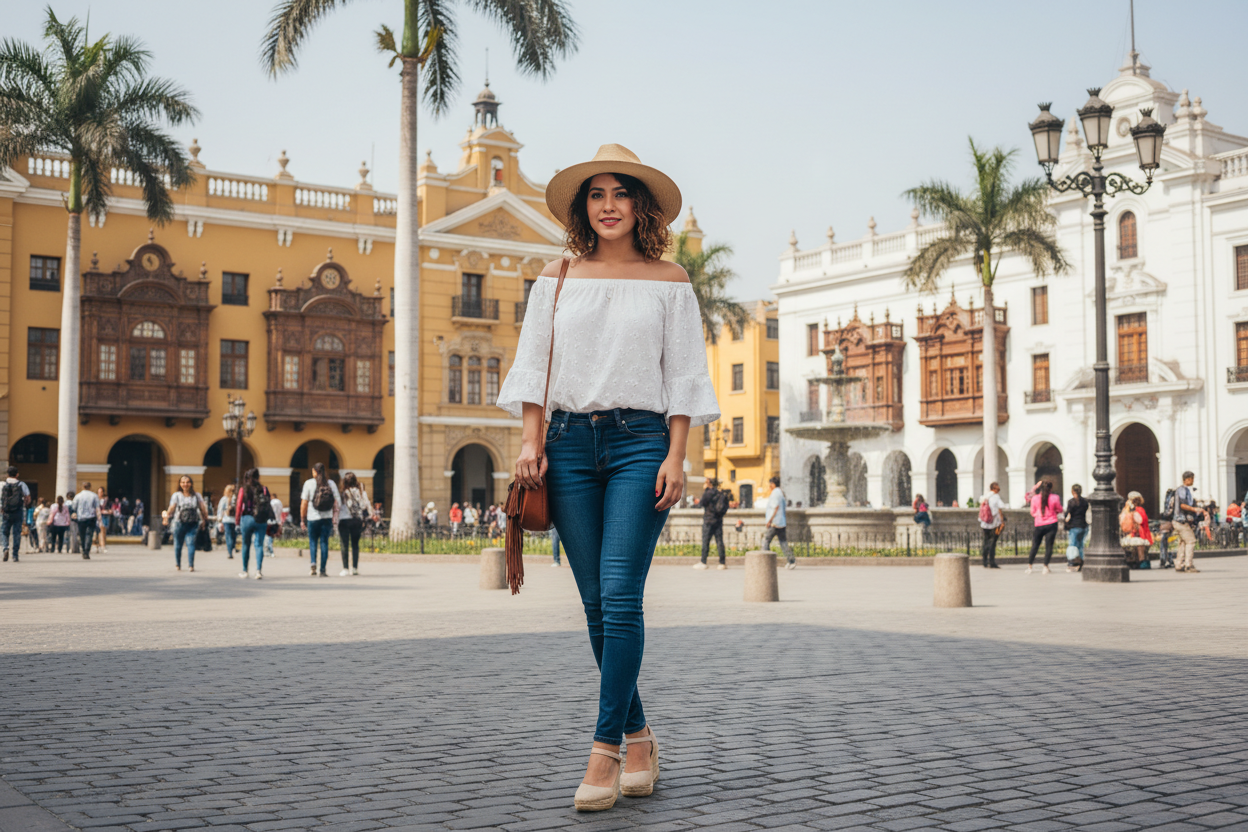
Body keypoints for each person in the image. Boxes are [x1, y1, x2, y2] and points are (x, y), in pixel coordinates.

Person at [497, 146, 718, 811]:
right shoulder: (557, 275)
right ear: (582, 208)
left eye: (621, 193)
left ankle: (604, 750)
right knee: (595, 602)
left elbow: (684, 373)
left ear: (640, 206)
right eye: (596, 194)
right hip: (566, 445)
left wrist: (677, 455)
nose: (609, 205)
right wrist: (531, 442)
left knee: (621, 597)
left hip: (640, 445)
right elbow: (534, 363)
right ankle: (640, 736)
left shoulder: (670, 280)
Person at [300, 462, 340, 577]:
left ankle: (313, 563)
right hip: (327, 518)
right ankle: (322, 569)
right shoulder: (331, 483)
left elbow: (304, 503)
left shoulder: (308, 483)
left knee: (312, 541)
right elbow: (337, 501)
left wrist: (302, 519)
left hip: (312, 518)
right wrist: (335, 515)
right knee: (324, 542)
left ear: (314, 472)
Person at [234, 469, 273, 579]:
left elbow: (238, 506)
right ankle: (258, 571)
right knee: (259, 545)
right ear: (258, 477)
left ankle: (245, 571)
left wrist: (237, 522)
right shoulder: (264, 489)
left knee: (246, 544)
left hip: (247, 518)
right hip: (261, 519)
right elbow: (268, 504)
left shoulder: (243, 489)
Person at [168, 475, 208, 572]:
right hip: (180, 522)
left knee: (189, 544)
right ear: (180, 484)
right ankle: (180, 564)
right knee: (180, 544)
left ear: (191, 484)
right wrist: (167, 516)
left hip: (191, 523)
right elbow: (172, 508)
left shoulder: (196, 495)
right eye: (183, 482)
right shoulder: (177, 495)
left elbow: (203, 508)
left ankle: (189, 565)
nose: (185, 484)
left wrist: (204, 519)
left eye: (187, 482)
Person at [338, 471, 373, 576]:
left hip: (344, 520)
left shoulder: (343, 492)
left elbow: (338, 506)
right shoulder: (361, 492)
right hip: (357, 520)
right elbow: (366, 504)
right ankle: (354, 568)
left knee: (344, 544)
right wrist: (371, 515)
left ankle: (345, 568)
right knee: (355, 545)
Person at [1025, 480, 1062, 575]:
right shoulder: (1055, 497)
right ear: (1051, 488)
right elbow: (1059, 509)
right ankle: (1045, 566)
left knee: (1035, 545)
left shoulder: (1035, 498)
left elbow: (1032, 512)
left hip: (1039, 524)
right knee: (1049, 546)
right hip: (1051, 523)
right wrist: (1053, 512)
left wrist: (1038, 516)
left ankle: (1030, 566)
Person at [1173, 471, 1205, 574]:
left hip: (1178, 520)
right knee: (1191, 541)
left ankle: (1179, 564)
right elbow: (1182, 505)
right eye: (1192, 479)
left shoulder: (1182, 490)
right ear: (1187, 479)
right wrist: (1194, 509)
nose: (1193, 481)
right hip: (1181, 520)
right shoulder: (1182, 490)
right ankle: (1188, 565)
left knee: (1183, 542)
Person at [763, 475, 796, 569]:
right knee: (783, 542)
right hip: (781, 522)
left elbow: (775, 507)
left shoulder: (775, 493)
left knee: (766, 540)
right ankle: (791, 561)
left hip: (775, 523)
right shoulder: (781, 492)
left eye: (770, 484)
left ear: (773, 484)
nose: (769, 486)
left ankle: (766, 561)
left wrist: (769, 520)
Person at [696, 478, 728, 570]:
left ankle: (703, 562)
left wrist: (705, 490)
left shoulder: (708, 493)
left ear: (709, 483)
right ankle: (722, 563)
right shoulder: (720, 493)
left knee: (706, 541)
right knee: (719, 541)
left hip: (708, 520)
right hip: (718, 520)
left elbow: (701, 503)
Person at [1, 466, 30, 562]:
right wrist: (24, 505)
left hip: (6, 512)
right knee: (16, 533)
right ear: (17, 474)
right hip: (18, 511)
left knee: (4, 532)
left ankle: (5, 548)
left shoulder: (2, 484)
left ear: (7, 474)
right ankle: (15, 555)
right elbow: (28, 498)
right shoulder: (22, 484)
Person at [1120, 490, 1153, 569]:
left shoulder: (1137, 510)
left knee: (1138, 543)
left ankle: (1139, 561)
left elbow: (1140, 521)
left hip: (1139, 535)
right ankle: (1138, 560)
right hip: (1135, 534)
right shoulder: (1130, 510)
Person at [977, 481, 1005, 569]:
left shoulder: (985, 496)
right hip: (994, 523)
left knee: (985, 541)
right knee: (992, 542)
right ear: (995, 489)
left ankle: (984, 561)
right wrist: (1002, 519)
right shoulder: (996, 497)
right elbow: (1001, 506)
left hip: (984, 523)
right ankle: (992, 562)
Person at [72, 481, 102, 560]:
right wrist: (99, 519)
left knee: (82, 535)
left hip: (81, 518)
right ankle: (87, 551)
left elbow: (74, 507)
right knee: (89, 535)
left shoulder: (78, 496)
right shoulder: (94, 496)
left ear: (83, 487)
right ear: (90, 487)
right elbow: (97, 508)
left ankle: (83, 549)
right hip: (91, 518)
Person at [1064, 484, 1089, 572]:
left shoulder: (1071, 502)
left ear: (1072, 491)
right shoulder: (1085, 501)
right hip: (1083, 525)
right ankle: (1081, 562)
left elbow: (1067, 513)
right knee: (1080, 546)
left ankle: (1072, 563)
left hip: (1074, 526)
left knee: (1072, 545)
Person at [217, 484, 237, 561]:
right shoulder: (236, 499)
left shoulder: (224, 499)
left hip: (226, 520)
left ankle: (230, 552)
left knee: (228, 536)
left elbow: (220, 509)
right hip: (235, 520)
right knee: (234, 536)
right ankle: (232, 547)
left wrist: (219, 519)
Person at [265, 491, 285, 557]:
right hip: (277, 521)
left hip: (270, 521)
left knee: (268, 536)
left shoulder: (271, 502)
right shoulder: (280, 502)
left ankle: (270, 551)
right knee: (272, 536)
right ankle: (270, 550)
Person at [95, 486, 111, 554]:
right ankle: (101, 546)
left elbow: (110, 508)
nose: (100, 493)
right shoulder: (96, 499)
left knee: (103, 531)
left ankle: (102, 545)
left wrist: (107, 511)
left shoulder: (106, 499)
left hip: (105, 516)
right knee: (99, 531)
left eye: (101, 492)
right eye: (99, 492)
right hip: (98, 517)